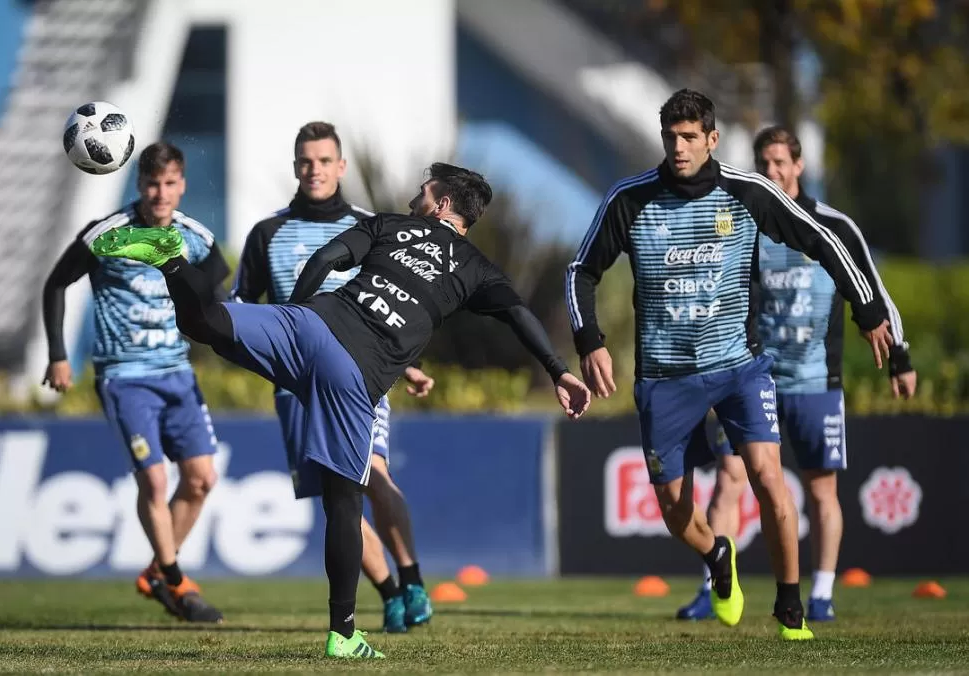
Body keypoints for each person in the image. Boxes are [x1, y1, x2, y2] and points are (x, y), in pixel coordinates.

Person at [88, 162, 591, 659]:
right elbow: (518, 314)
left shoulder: (390, 224)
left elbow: (326, 259)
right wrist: (558, 370)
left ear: (441, 202)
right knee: (345, 504)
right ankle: (344, 633)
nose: (416, 193)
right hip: (354, 373)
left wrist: (297, 314)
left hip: (311, 323)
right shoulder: (477, 268)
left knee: (207, 323)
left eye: (424, 189)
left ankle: (171, 262)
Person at [565, 89, 897, 640]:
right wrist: (589, 339)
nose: (679, 146)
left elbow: (822, 239)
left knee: (767, 475)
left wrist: (866, 309)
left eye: (690, 136)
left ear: (711, 139)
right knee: (676, 510)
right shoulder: (630, 198)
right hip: (664, 377)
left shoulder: (747, 192)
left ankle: (791, 607)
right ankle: (718, 555)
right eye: (671, 136)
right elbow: (580, 269)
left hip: (739, 367)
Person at [674, 125, 917, 623]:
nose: (772, 172)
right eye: (763, 164)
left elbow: (872, 288)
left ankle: (823, 592)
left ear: (799, 166)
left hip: (813, 381)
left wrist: (901, 354)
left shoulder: (833, 225)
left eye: (780, 163)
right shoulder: (744, 223)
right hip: (748, 377)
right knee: (729, 479)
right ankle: (714, 587)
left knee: (820, 490)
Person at [231, 121, 434, 633]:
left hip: (364, 378)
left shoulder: (375, 227)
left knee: (374, 475)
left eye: (324, 160)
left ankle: (412, 581)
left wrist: (405, 361)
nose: (314, 169)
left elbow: (397, 305)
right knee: (336, 499)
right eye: (305, 160)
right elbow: (240, 311)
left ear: (341, 167)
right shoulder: (267, 234)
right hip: (295, 387)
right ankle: (389, 595)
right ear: (295, 165)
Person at [42, 142, 229, 623]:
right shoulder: (108, 235)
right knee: (154, 478)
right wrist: (60, 356)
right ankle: (175, 581)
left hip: (177, 373)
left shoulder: (195, 236)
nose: (160, 193)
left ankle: (155, 573)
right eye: (151, 183)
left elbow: (216, 284)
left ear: (181, 184)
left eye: (170, 184)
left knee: (202, 478)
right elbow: (56, 283)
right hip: (124, 376)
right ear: (138, 184)